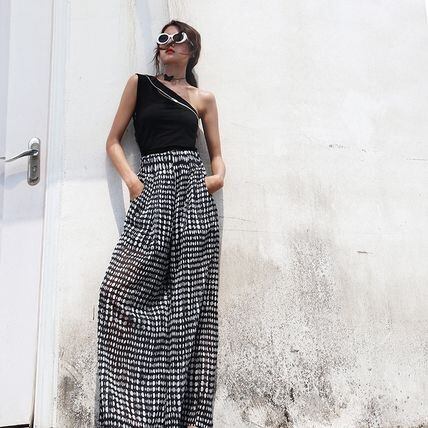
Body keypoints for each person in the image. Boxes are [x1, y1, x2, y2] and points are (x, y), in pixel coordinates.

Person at [96, 19, 225, 428]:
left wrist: (212, 180)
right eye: (163, 38)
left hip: (193, 200)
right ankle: (129, 415)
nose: (168, 43)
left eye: (177, 38)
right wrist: (134, 183)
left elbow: (217, 157)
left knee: (187, 313)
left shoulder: (203, 99)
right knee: (115, 293)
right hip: (152, 192)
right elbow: (113, 141)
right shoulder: (140, 85)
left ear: (192, 49)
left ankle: (179, 418)